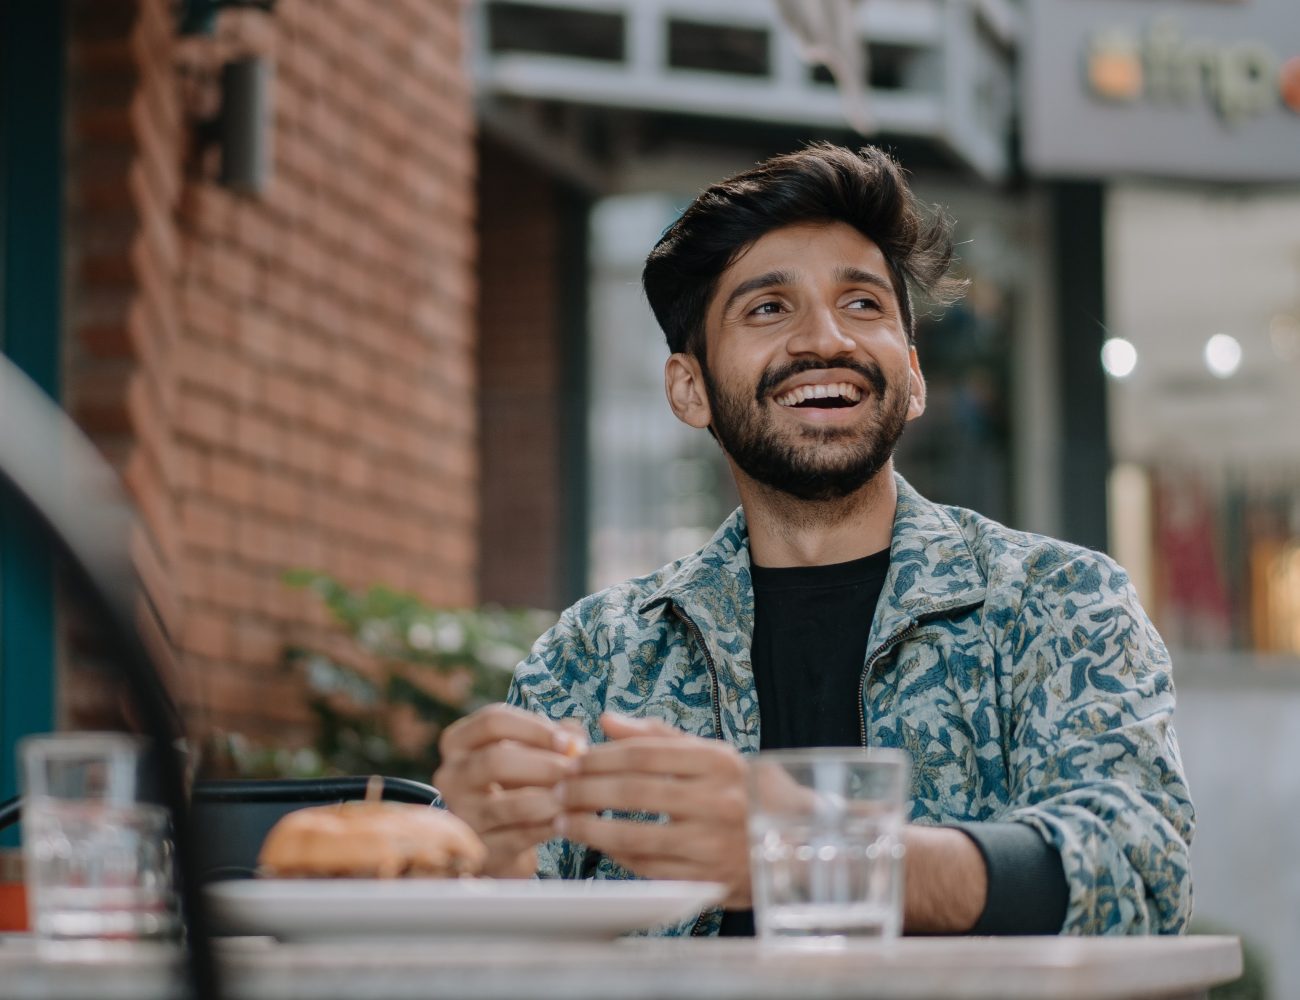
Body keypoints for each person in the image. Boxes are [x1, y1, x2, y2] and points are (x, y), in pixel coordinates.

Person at [434, 143, 1194, 937]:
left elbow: (1137, 870)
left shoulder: (1056, 603)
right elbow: (514, 942)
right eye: (767, 308)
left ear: (914, 372)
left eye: (863, 304)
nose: (825, 339)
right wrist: (480, 860)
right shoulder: (594, 658)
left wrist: (812, 855)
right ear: (689, 388)